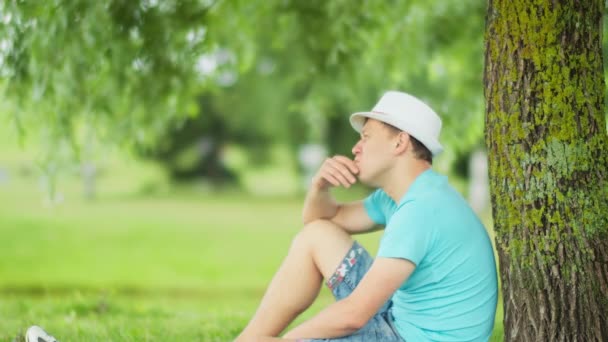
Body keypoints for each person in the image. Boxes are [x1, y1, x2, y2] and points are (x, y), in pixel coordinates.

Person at [235, 90, 498, 342]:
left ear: (400, 142)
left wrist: (286, 339)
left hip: (407, 337)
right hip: (398, 321)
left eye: (366, 137)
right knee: (316, 236)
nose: (356, 147)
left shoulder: (421, 209)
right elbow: (321, 221)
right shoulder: (407, 195)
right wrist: (319, 186)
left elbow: (353, 315)